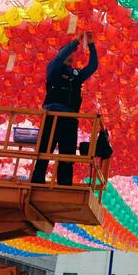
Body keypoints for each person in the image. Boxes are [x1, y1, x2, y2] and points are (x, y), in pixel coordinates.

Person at [31, 32, 99, 186]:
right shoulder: (54, 69)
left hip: (69, 119)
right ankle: (37, 181)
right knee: (44, 151)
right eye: (68, 53)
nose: (71, 56)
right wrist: (76, 42)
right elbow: (59, 57)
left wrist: (92, 46)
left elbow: (93, 66)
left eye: (72, 54)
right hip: (51, 116)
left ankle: (64, 184)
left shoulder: (76, 75)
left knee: (67, 155)